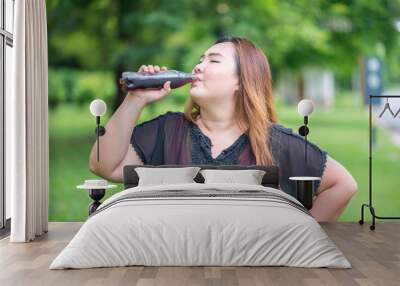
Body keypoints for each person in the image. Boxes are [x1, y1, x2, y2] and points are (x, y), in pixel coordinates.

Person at [89, 36, 358, 222]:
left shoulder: (275, 141)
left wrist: (302, 237)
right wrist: (135, 100)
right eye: (200, 59)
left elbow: (342, 185)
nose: (198, 66)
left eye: (213, 61)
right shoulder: (166, 129)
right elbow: (104, 166)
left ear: (242, 81)